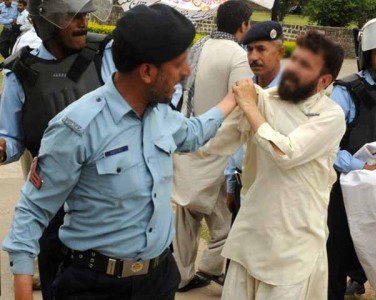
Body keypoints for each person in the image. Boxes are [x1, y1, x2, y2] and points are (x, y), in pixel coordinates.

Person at [2, 4, 238, 300]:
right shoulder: (77, 126)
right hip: (96, 286)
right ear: (148, 72)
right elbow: (33, 210)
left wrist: (232, 99)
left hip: (159, 279)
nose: (186, 72)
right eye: (179, 64)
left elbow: (193, 134)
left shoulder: (161, 115)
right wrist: (22, 289)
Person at [201, 30, 346, 299]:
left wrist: (249, 105)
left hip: (294, 241)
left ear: (324, 80)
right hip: (253, 232)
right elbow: (213, 142)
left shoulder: (330, 115)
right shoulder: (266, 98)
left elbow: (286, 153)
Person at [0, 0, 114, 298]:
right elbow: (12, 138)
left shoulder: (104, 56)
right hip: (51, 203)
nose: (83, 23)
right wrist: (2, 148)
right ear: (46, 22)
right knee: (56, 283)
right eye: (71, 16)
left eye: (85, 15)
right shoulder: (21, 71)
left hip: (104, 200)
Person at [171, 0, 253, 292]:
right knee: (224, 224)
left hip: (186, 142)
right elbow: (241, 106)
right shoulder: (239, 57)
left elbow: (180, 93)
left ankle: (180, 276)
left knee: (185, 216)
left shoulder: (197, 46)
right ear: (244, 25)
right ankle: (210, 267)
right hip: (218, 150)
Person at [327, 16, 376, 300]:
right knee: (335, 258)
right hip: (349, 194)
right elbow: (327, 146)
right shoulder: (347, 92)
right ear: (367, 54)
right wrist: (361, 166)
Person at [225, 20, 285, 221]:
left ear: (279, 53)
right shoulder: (244, 89)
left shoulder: (292, 94)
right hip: (244, 187)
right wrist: (230, 185)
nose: (253, 57)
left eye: (261, 49)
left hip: (275, 192)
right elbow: (235, 139)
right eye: (249, 50)